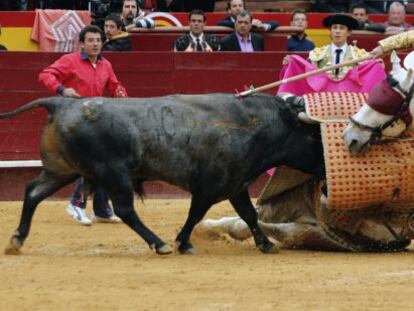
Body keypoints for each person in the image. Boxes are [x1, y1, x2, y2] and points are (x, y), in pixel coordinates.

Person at [38, 25, 127, 225]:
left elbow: (114, 85)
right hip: (72, 121)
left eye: (98, 40)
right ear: (82, 43)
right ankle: (76, 204)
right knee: (92, 162)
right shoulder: (70, 60)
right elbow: (45, 75)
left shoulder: (106, 65)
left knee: (105, 161)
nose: (95, 44)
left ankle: (102, 209)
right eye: (91, 40)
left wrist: (120, 93)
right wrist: (62, 89)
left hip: (94, 120)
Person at [279, 14, 386, 95]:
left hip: (350, 98)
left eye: (341, 28)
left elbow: (370, 76)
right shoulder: (317, 54)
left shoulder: (359, 55)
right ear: (330, 31)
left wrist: (377, 66)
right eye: (334, 28)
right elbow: (307, 74)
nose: (337, 31)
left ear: (348, 32)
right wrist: (290, 64)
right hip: (323, 97)